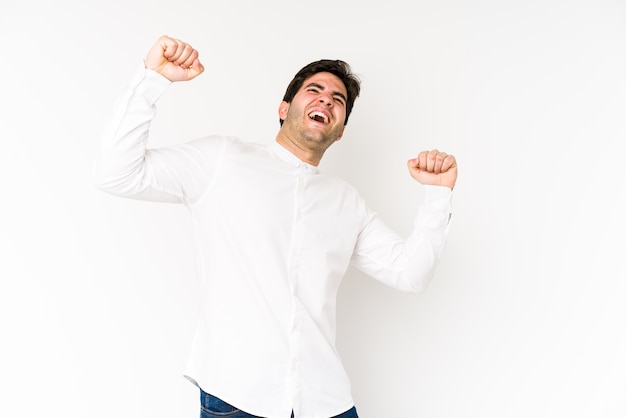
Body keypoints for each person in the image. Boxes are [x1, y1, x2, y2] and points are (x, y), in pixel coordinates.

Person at [94, 35, 457, 418]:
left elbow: (411, 275)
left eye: (338, 100)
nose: (326, 100)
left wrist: (437, 197)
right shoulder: (222, 160)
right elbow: (115, 174)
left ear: (341, 130)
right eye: (314, 90)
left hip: (326, 402)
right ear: (284, 108)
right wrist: (152, 79)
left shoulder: (346, 201)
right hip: (237, 397)